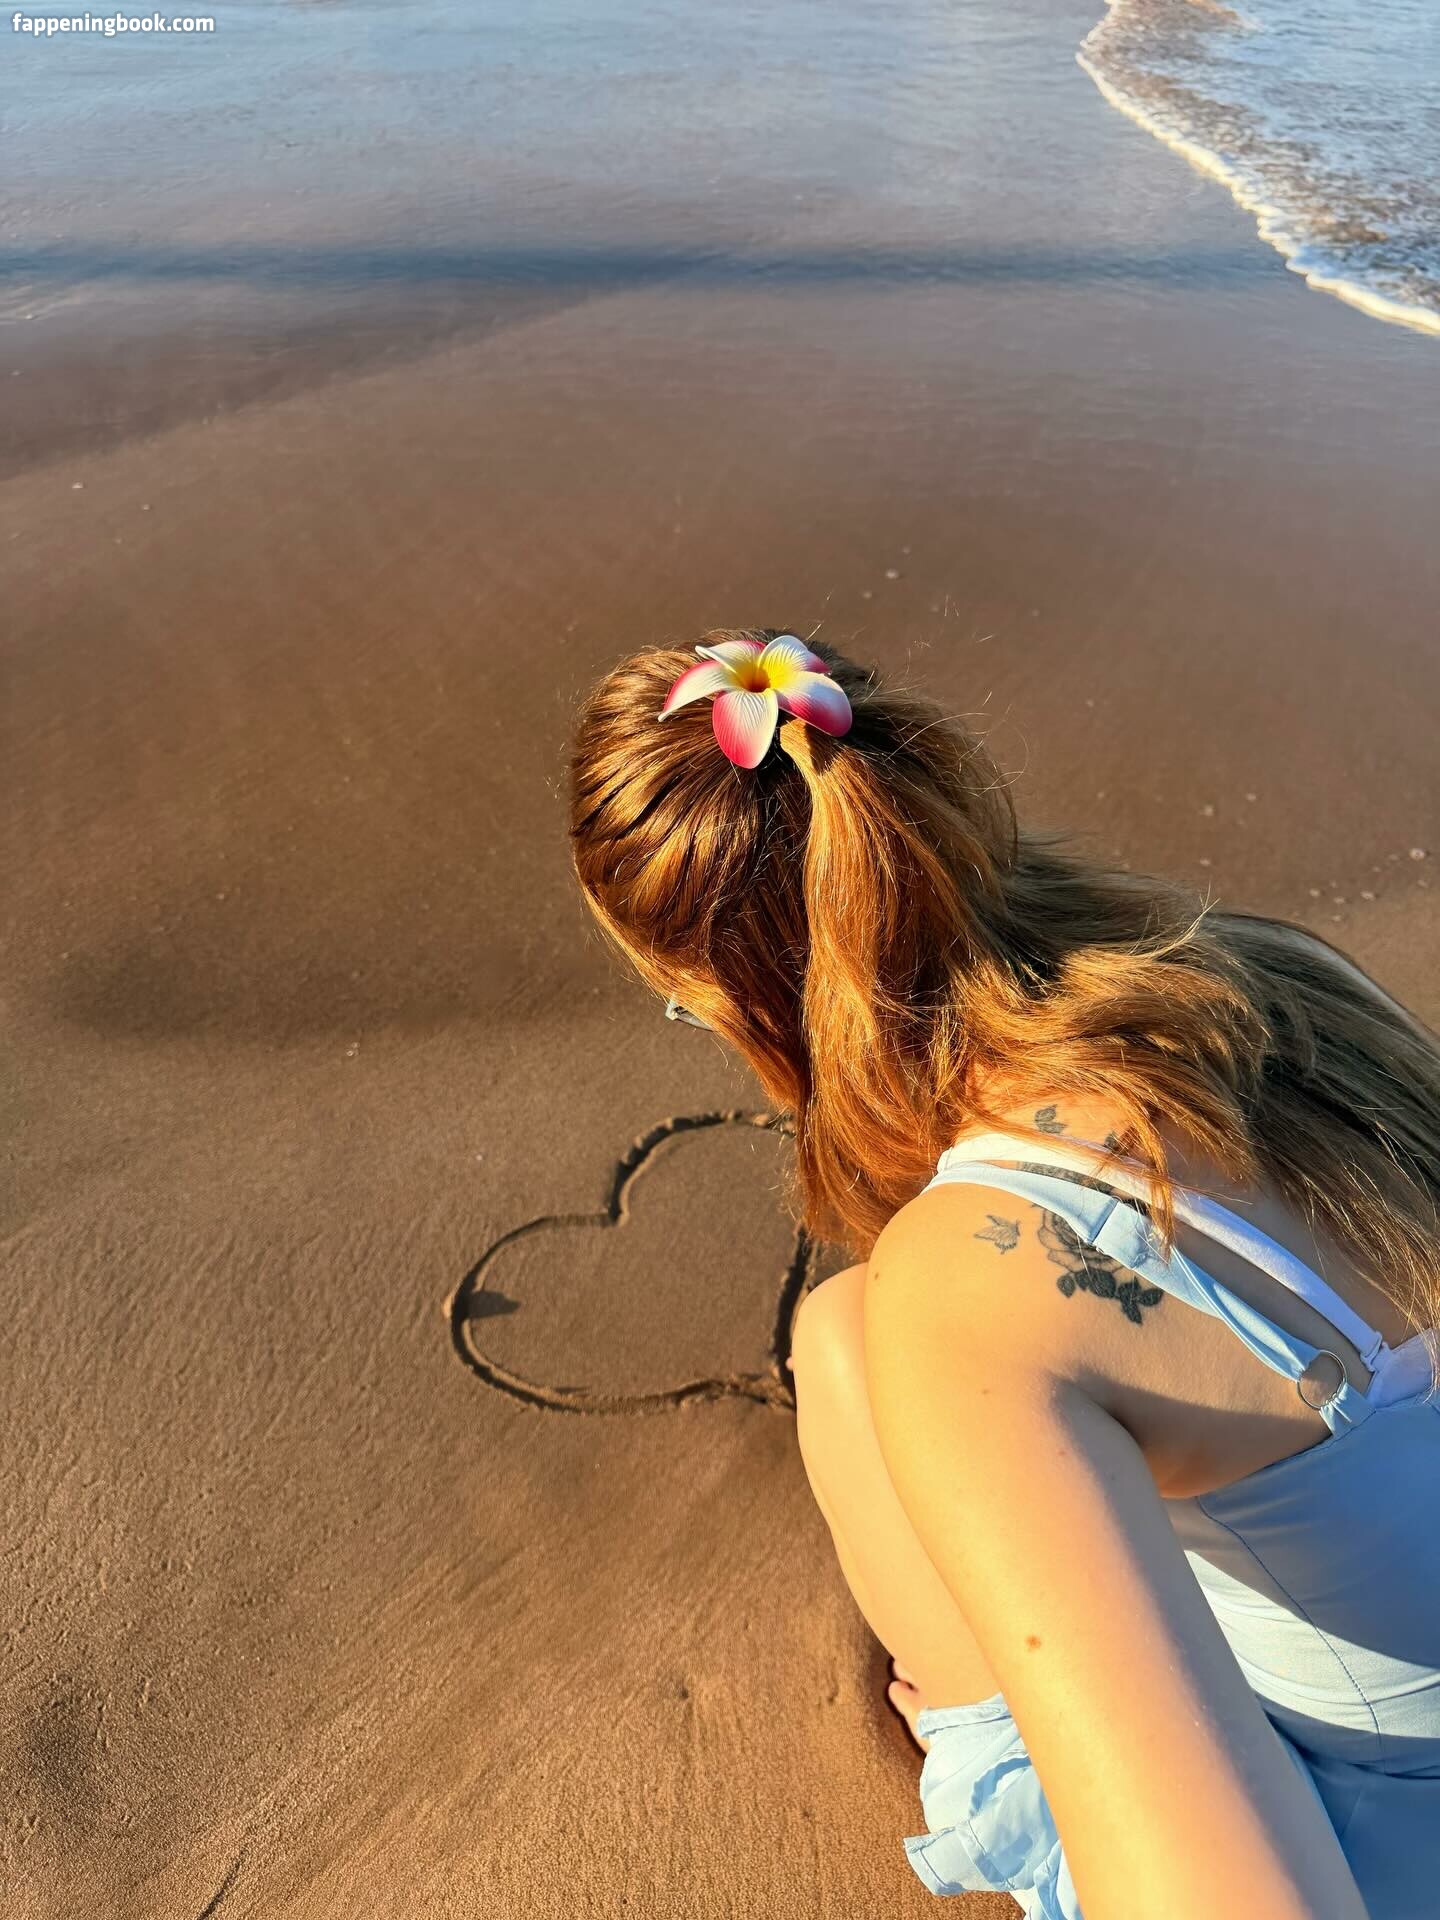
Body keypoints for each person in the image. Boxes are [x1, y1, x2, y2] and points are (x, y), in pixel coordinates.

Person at [566, 628, 1440, 1920]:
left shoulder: (979, 1280)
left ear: (721, 995)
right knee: (847, 1336)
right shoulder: (1268, 982)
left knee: (908, 1348)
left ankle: (1033, 1763)